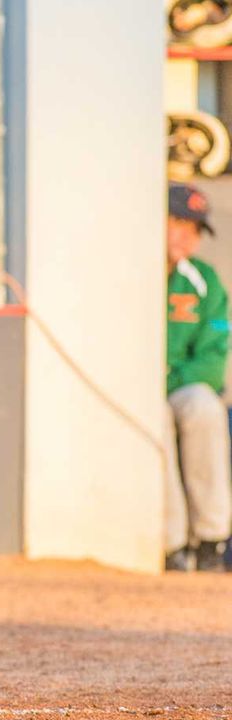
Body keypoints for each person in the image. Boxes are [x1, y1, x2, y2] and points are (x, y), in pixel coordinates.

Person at [165, 182, 232, 572]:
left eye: (194, 229)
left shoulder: (203, 280)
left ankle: (212, 539)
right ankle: (171, 543)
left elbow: (212, 360)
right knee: (152, 417)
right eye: (177, 222)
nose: (186, 236)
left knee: (204, 408)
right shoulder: (132, 272)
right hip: (138, 389)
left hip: (181, 385)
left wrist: (172, 378)